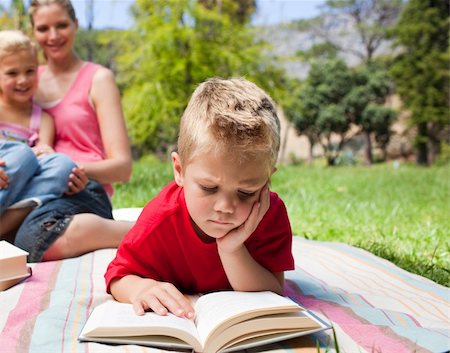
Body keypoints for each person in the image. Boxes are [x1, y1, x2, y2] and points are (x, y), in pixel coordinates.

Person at [105, 77, 294, 319]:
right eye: (209, 187)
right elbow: (117, 276)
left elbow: (272, 290)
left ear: (267, 180)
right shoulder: (160, 220)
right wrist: (141, 288)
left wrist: (232, 250)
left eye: (246, 192)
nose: (225, 207)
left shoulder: (269, 214)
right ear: (180, 170)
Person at [11, 0, 133, 262]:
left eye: (62, 25)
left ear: (75, 25)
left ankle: (135, 232)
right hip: (35, 189)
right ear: (33, 31)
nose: (53, 36)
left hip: (83, 189)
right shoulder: (25, 78)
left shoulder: (98, 79)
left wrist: (74, 170)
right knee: (15, 238)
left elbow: (123, 168)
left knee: (32, 238)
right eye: (43, 28)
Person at [0, 30, 76, 235]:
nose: (23, 80)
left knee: (63, 164)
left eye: (30, 71)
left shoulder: (43, 119)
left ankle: (6, 225)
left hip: (20, 188)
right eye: (12, 73)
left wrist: (43, 150)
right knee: (21, 154)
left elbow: (45, 151)